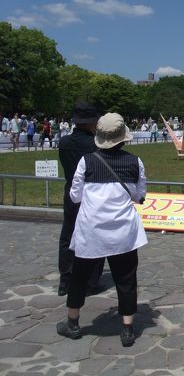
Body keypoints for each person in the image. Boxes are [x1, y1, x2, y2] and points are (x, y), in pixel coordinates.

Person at [56, 112, 147, 347]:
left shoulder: (87, 161)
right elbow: (139, 196)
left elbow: (75, 195)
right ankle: (127, 328)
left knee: (79, 277)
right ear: (123, 137)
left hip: (91, 230)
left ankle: (73, 322)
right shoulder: (134, 162)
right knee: (126, 279)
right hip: (123, 231)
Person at [57, 102, 104, 296]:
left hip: (71, 192)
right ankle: (91, 282)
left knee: (68, 235)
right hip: (92, 194)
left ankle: (65, 281)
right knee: (95, 236)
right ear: (92, 122)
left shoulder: (65, 142)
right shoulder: (95, 145)